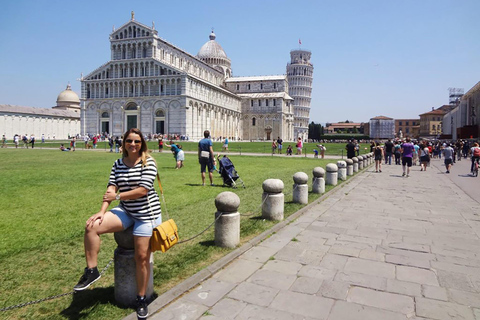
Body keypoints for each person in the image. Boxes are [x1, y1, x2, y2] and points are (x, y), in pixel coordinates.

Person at [73, 128, 161, 319]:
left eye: (137, 141)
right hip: (127, 211)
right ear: (124, 143)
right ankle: (92, 270)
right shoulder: (118, 163)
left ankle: (141, 298)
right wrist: (102, 211)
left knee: (141, 258)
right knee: (91, 226)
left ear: (142, 143)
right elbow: (110, 188)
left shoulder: (149, 162)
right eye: (129, 141)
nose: (133, 144)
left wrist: (118, 196)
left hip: (147, 214)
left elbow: (143, 190)